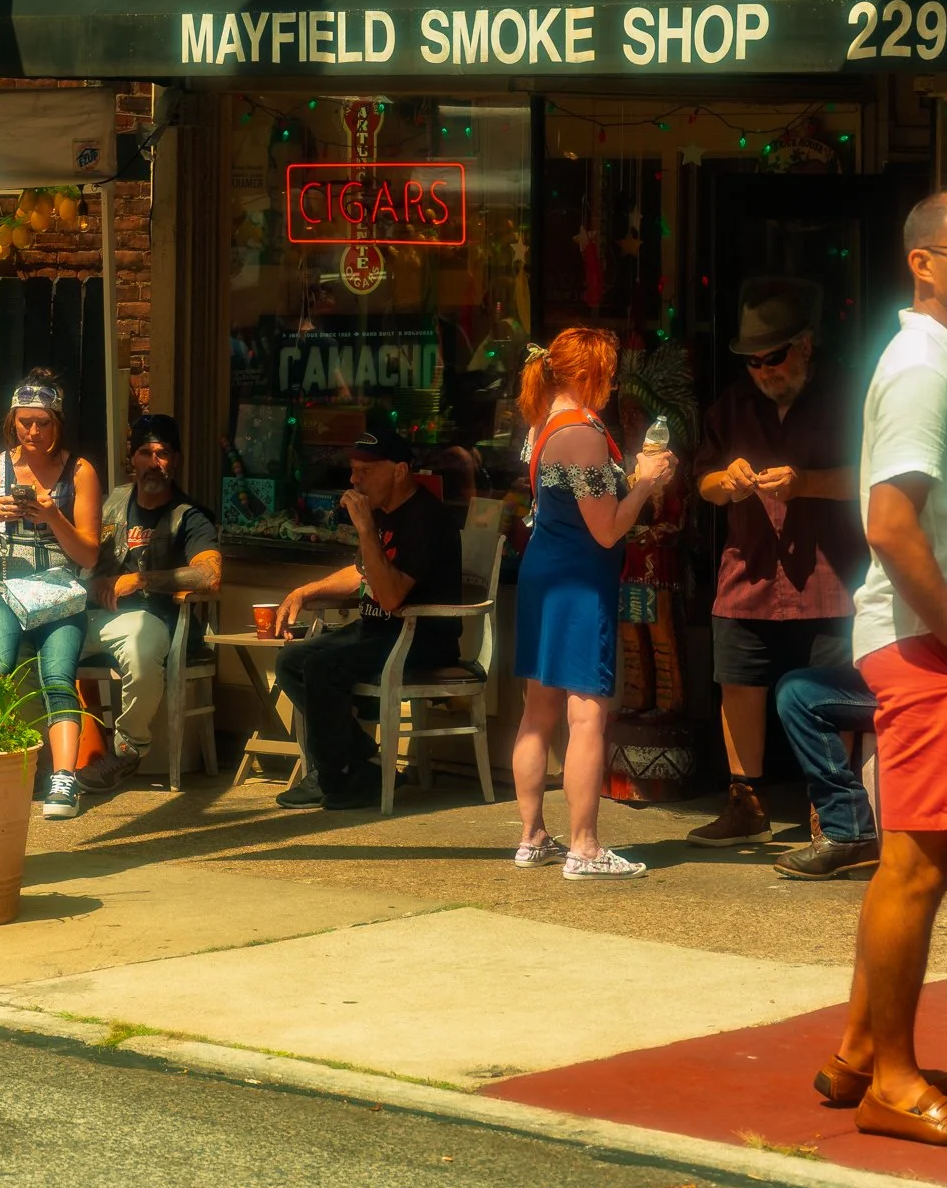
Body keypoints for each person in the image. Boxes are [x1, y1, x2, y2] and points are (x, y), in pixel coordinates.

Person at [823, 193, 947, 1149]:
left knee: (911, 863)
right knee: (916, 866)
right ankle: (894, 1084)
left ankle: (863, 1047)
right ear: (923, 263)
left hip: (929, 641)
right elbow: (890, 523)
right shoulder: (921, 367)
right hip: (931, 646)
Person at [689, 279, 863, 848]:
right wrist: (729, 482)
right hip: (752, 570)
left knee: (833, 693)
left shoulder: (847, 399)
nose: (764, 370)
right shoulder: (732, 407)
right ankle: (746, 804)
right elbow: (705, 483)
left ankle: (829, 808)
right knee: (740, 682)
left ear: (806, 346)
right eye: (754, 362)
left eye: (775, 357)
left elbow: (873, 479)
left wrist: (805, 483)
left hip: (829, 573)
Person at [507, 330, 675, 876]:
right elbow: (605, 530)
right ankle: (584, 848)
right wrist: (646, 484)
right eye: (607, 371)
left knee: (538, 712)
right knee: (586, 715)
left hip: (544, 573)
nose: (613, 382)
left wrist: (628, 477)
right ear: (585, 375)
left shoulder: (543, 424)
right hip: (579, 580)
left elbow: (574, 500)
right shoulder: (580, 432)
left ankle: (533, 837)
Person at [269, 428, 469, 813]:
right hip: (377, 632)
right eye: (353, 470)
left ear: (399, 471)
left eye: (364, 470)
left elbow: (392, 596)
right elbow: (364, 572)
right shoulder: (381, 511)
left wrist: (364, 529)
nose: (353, 480)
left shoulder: (426, 517)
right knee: (291, 661)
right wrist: (307, 591)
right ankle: (359, 765)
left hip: (420, 638)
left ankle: (337, 778)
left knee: (323, 666)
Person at [0, 370, 103, 820]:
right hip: (0, 587)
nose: (33, 432)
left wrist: (53, 514)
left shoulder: (80, 472)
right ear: (12, 423)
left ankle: (63, 778)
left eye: (42, 422)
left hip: (58, 592)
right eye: (24, 422)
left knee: (58, 677)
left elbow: (89, 555)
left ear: (58, 423)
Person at [79, 413, 221, 796]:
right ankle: (52, 756)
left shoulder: (190, 518)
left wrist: (140, 580)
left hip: (157, 620)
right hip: (99, 617)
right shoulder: (111, 503)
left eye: (162, 453)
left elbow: (209, 575)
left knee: (140, 647)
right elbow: (81, 564)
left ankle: (128, 748)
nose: (154, 462)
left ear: (175, 459)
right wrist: (94, 587)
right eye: (145, 452)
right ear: (133, 459)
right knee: (40, 642)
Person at [771, 661, 880, 879]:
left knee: (799, 695)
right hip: (883, 673)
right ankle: (849, 831)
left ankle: (847, 831)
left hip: (922, 682)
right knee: (795, 690)